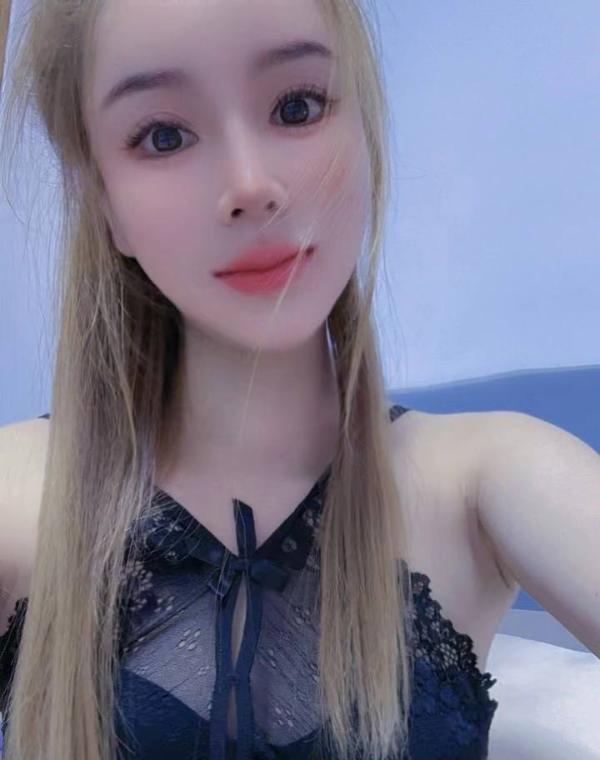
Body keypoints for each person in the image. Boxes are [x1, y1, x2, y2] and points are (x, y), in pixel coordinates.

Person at [0, 1, 507, 758]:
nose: (250, 185)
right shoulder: (16, 495)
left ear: (364, 130)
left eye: (297, 106)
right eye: (164, 136)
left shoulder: (488, 478)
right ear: (104, 203)